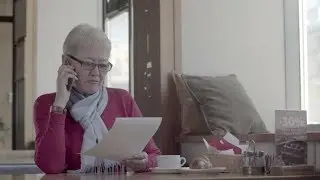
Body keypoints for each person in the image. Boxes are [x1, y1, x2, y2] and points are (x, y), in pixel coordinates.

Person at [33, 24, 161, 174]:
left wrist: (144, 162)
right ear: (66, 62)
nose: (96, 73)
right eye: (88, 64)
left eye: (103, 65)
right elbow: (51, 167)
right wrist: (60, 105)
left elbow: (154, 155)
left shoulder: (122, 99)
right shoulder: (46, 104)